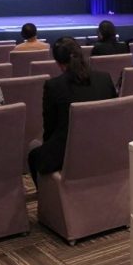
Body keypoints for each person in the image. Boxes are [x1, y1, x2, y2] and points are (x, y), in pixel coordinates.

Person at [27, 38, 116, 184]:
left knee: (33, 155)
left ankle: (49, 195)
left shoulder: (53, 86)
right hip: (105, 147)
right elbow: (113, 118)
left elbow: (49, 129)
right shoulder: (105, 78)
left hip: (69, 153)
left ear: (58, 63)